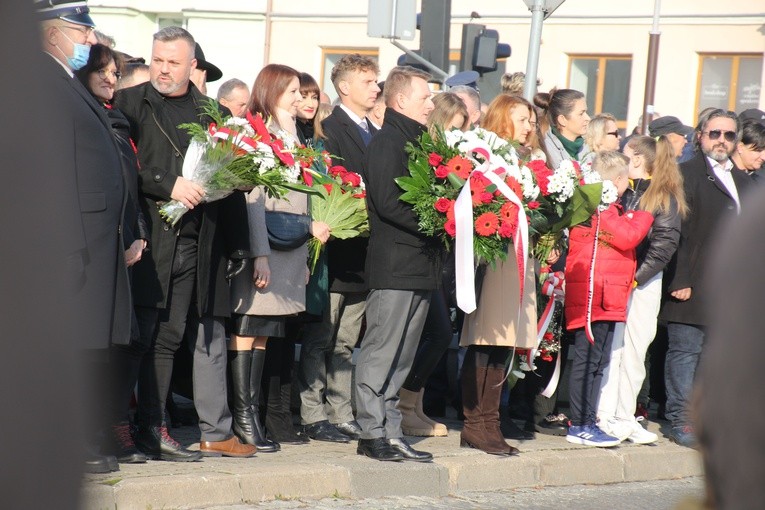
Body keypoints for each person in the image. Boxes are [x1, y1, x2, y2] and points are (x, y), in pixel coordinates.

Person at [114, 26, 256, 461]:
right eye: (157, 60)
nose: (162, 69)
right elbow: (121, 164)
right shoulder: (128, 103)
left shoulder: (211, 112)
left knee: (170, 337)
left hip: (194, 242)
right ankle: (118, 427)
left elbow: (229, 181)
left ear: (193, 65)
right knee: (135, 337)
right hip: (145, 239)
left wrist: (238, 247)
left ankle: (154, 428)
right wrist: (166, 183)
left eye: (173, 62)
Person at [37, 0, 130, 474]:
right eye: (81, 31)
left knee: (86, 343)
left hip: (93, 237)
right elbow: (52, 171)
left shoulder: (64, 80)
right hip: (73, 240)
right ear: (53, 34)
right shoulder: (45, 82)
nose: (90, 41)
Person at [228, 63, 330, 447]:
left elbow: (302, 199)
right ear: (272, 93)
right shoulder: (257, 132)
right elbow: (254, 198)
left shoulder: (291, 135)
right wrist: (260, 254)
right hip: (265, 245)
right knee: (249, 327)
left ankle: (253, 415)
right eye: (290, 92)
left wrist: (304, 254)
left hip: (289, 246)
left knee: (266, 335)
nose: (298, 98)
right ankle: (245, 416)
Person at [297, 54, 380, 443]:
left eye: (376, 81)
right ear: (345, 87)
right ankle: (312, 413)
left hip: (364, 254)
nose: (376, 88)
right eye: (368, 81)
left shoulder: (374, 130)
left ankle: (340, 409)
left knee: (347, 339)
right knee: (320, 337)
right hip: (334, 249)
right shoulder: (329, 130)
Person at [74, 43, 151, 464]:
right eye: (101, 71)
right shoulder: (83, 117)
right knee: (92, 344)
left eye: (115, 73)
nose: (110, 78)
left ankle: (108, 428)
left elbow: (128, 188)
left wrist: (137, 235)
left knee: (122, 343)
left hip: (125, 247)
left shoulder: (118, 122)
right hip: (95, 248)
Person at [356, 66, 437, 462]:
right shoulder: (389, 143)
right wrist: (440, 220)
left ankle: (391, 430)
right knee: (381, 350)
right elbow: (389, 204)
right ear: (402, 99)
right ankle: (371, 432)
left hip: (418, 264)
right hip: (394, 264)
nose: (431, 104)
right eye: (425, 97)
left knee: (402, 355)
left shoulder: (418, 142)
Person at [660, 109, 752, 448]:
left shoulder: (743, 179)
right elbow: (678, 232)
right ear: (700, 135)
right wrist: (680, 279)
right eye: (715, 133)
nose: (721, 141)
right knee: (685, 351)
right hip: (692, 280)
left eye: (729, 135)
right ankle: (681, 420)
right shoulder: (687, 174)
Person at [459, 94, 540, 455]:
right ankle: (476, 423)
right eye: (523, 120)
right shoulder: (486, 153)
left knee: (505, 339)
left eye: (531, 122)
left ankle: (489, 420)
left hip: (518, 254)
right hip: (493, 255)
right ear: (504, 119)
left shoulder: (525, 160)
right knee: (487, 336)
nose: (529, 128)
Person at [596, 135, 687, 444]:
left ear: (636, 159)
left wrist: (635, 278)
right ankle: (607, 414)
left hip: (641, 283)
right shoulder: (627, 192)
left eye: (626, 153)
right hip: (620, 279)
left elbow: (663, 247)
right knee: (614, 349)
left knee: (633, 352)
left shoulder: (661, 196)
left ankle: (622, 415)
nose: (622, 158)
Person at [564, 151, 654, 447]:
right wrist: (643, 213)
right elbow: (627, 236)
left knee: (596, 361)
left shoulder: (604, 206)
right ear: (616, 180)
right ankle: (580, 424)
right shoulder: (599, 207)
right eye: (625, 180)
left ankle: (588, 421)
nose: (628, 187)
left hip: (605, 292)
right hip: (596, 293)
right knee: (588, 361)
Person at [396, 91, 469, 439]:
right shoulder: (426, 149)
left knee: (436, 333)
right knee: (435, 332)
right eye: (454, 127)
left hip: (440, 254)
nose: (457, 135)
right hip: (423, 255)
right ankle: (404, 407)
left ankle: (415, 406)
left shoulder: (449, 152)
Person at [535, 88, 590, 169]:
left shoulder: (584, 148)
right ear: (562, 120)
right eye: (581, 114)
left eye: (586, 112)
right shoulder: (545, 151)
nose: (588, 118)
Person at [295, 72, 320, 142]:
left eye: (314, 98)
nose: (311, 105)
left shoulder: (317, 133)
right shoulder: (288, 133)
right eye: (304, 97)